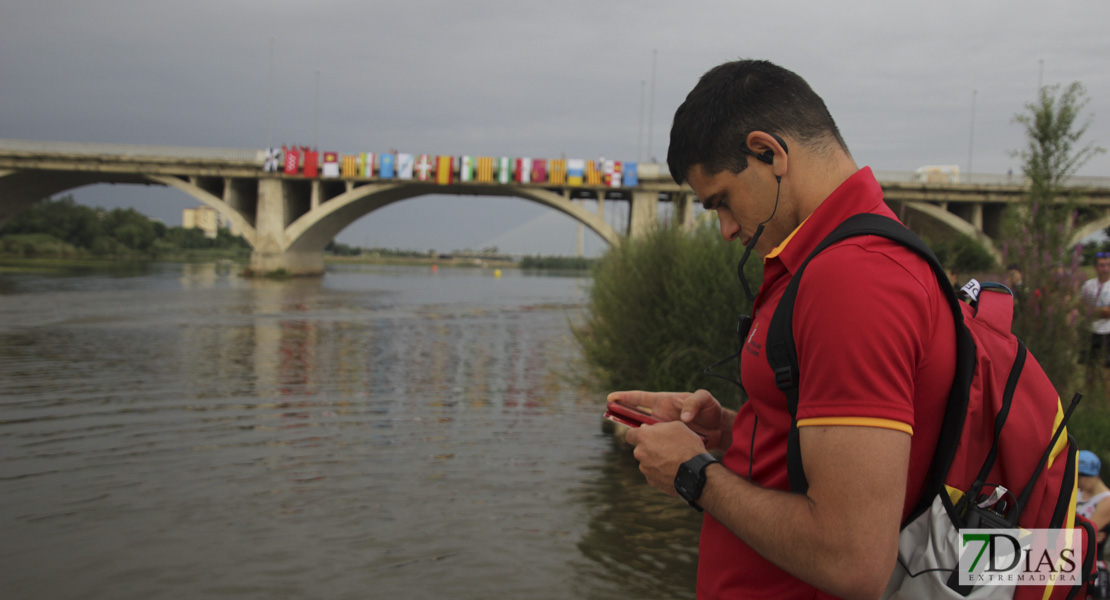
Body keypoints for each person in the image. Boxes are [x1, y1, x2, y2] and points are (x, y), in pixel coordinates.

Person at [608, 59, 957, 599]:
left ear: (768, 153)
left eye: (721, 200)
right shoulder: (834, 258)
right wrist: (736, 430)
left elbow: (853, 558)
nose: (724, 229)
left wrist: (693, 473)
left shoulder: (852, 281)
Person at [1077, 450, 1110, 598]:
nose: (1076, 482)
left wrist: (1080, 531)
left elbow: (1085, 534)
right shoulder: (1078, 493)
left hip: (1093, 567)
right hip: (1072, 561)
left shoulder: (1106, 501)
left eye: (1079, 477)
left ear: (1090, 475)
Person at [1081, 253, 1110, 372]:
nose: (1105, 268)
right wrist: (1102, 310)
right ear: (1095, 267)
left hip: (1108, 332)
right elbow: (1081, 306)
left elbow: (1108, 313)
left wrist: (1091, 310)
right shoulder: (1088, 285)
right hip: (1091, 331)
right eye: (1102, 265)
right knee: (1090, 369)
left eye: (1108, 265)